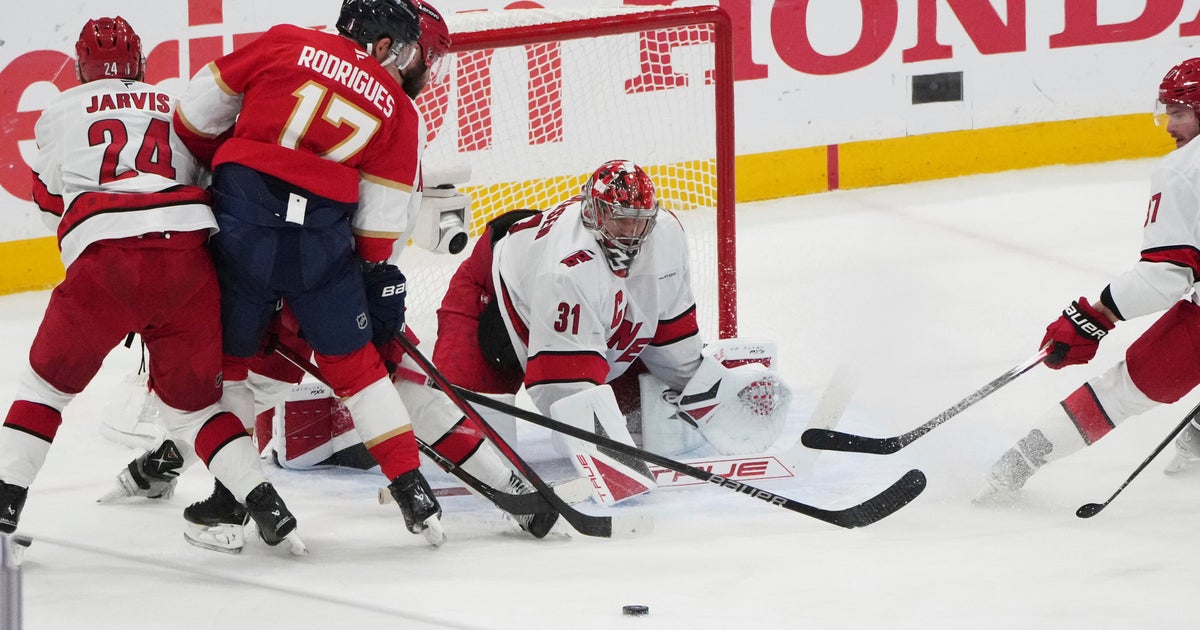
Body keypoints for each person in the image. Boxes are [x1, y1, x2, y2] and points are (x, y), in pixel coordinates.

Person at [0, 16, 305, 555]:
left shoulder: (59, 112)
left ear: (79, 68)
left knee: (44, 392)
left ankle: (3, 511)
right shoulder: (172, 103)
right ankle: (266, 503)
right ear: (141, 64)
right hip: (186, 261)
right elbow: (209, 181)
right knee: (196, 411)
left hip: (105, 263)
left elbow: (50, 205)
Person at [164, 0, 448, 546]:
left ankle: (233, 500)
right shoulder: (398, 108)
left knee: (233, 364)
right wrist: (353, 272)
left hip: (241, 222)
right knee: (357, 368)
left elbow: (193, 118)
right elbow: (379, 232)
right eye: (407, 49)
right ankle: (413, 489)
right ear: (382, 43)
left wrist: (210, 179)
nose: (410, 63)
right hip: (320, 243)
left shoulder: (284, 40)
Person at [430, 160, 792, 505]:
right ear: (594, 214)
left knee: (636, 422)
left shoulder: (666, 233)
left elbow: (671, 337)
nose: (632, 233)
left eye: (639, 222)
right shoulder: (568, 267)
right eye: (620, 222)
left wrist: (709, 387)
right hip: (490, 301)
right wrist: (610, 457)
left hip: (573, 307)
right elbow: (561, 390)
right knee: (467, 451)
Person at [979, 57, 1200, 497]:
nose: (1169, 124)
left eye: (1178, 112)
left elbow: (1166, 275)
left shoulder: (1183, 170)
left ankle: (1016, 465)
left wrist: (1093, 316)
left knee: (1120, 393)